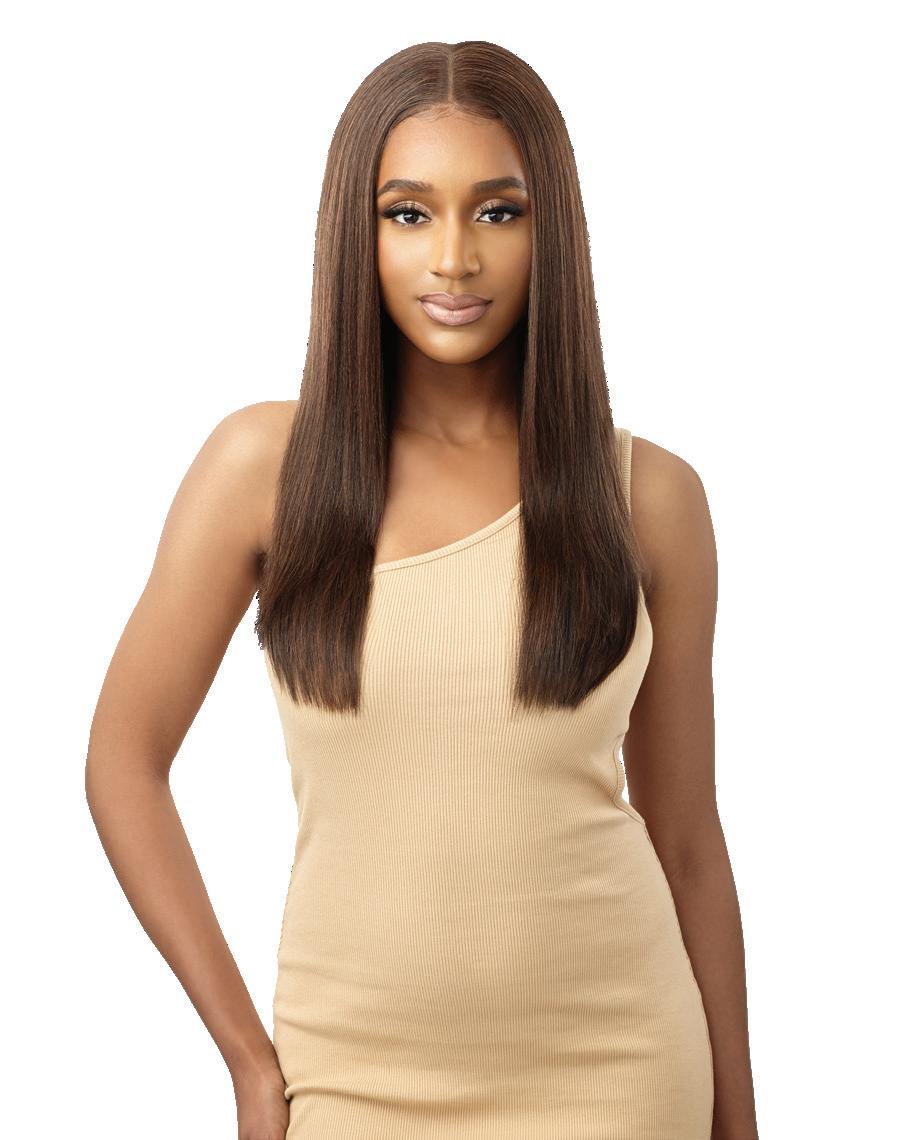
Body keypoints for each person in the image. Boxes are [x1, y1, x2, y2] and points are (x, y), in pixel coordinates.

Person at [86, 40, 758, 1140]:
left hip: (621, 1071)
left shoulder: (651, 498)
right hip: (352, 1084)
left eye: (498, 211)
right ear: (355, 234)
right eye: (408, 213)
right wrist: (250, 1064)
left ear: (552, 229)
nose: (454, 257)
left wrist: (739, 1118)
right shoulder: (265, 469)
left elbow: (687, 837)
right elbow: (123, 762)